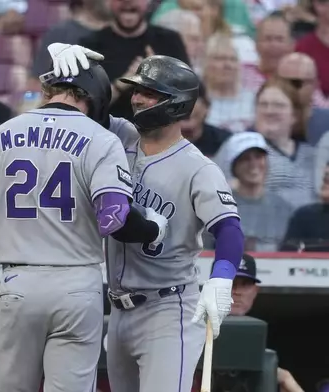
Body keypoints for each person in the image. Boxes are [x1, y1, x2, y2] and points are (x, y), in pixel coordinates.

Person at [0, 60, 169, 391]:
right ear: (97, 96)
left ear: (49, 90)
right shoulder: (101, 139)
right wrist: (153, 228)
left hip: (18, 282)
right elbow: (116, 220)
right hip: (77, 284)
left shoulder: (0, 134)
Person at [47, 45, 244, 392]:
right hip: (118, 310)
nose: (137, 98)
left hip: (168, 309)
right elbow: (82, 113)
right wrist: (72, 69)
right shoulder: (119, 136)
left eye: (149, 93)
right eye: (136, 90)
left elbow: (228, 227)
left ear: (177, 103)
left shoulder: (198, 168)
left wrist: (222, 277)